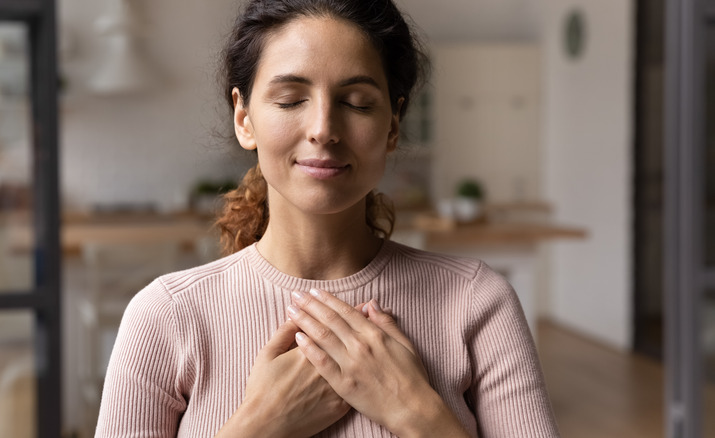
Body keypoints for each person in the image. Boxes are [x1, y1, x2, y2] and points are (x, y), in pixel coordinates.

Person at [95, 0, 560, 436]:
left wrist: (418, 413)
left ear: (393, 126)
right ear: (244, 118)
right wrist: (259, 426)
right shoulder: (166, 317)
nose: (323, 129)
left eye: (357, 102)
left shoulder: (478, 303)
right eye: (291, 99)